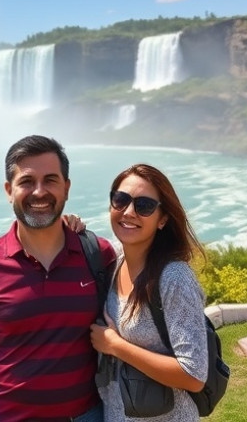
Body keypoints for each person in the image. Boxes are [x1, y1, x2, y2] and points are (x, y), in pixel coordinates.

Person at [0, 135, 117, 422]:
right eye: (27, 181)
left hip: (88, 416)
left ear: (66, 188)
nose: (39, 192)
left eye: (51, 180)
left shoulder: (98, 254)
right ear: (9, 190)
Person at [90, 164, 208, 421]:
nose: (129, 212)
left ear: (162, 219)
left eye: (144, 206)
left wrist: (115, 346)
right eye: (120, 200)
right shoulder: (116, 262)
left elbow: (194, 375)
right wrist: (68, 226)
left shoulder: (174, 277)